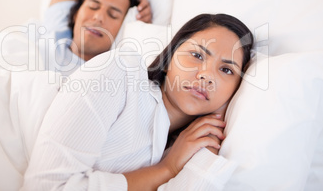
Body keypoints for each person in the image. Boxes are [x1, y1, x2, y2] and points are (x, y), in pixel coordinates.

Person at [22, 13, 254, 190]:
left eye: (226, 69)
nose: (207, 75)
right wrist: (166, 169)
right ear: (169, 57)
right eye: (197, 55)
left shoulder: (183, 147)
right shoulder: (120, 71)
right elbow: (46, 187)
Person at [39, 0, 152, 76]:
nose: (98, 17)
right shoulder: (55, 32)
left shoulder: (112, 77)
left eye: (113, 15)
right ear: (75, 14)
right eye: (93, 6)